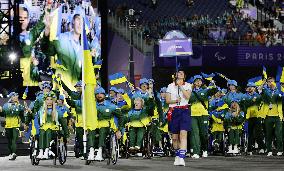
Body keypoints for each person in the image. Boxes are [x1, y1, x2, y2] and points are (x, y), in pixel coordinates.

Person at [42, 13, 84, 90]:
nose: (80, 23)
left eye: (82, 21)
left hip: (76, 91)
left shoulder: (85, 46)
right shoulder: (62, 38)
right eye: (78, 19)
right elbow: (48, 50)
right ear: (73, 22)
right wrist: (47, 31)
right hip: (61, 88)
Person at [88, 87, 123, 161]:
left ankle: (99, 152)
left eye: (101, 93)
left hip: (106, 126)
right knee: (91, 130)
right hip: (94, 125)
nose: (99, 95)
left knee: (102, 131)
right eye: (97, 94)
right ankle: (91, 151)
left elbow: (121, 117)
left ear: (104, 95)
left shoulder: (111, 106)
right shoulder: (92, 106)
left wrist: (119, 130)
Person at [19, 3, 50, 86]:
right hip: (16, 78)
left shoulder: (31, 35)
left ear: (28, 20)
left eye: (25, 18)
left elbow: (40, 25)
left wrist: (47, 9)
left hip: (31, 79)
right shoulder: (8, 37)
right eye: (20, 18)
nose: (22, 20)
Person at [166, 69, 192, 166]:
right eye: (178, 73)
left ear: (184, 76)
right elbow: (167, 100)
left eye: (182, 73)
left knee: (183, 134)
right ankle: (177, 155)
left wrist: (180, 86)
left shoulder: (188, 85)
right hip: (174, 111)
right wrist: (175, 101)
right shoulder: (170, 86)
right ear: (175, 75)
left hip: (184, 111)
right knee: (175, 137)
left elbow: (187, 96)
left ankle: (182, 157)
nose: (180, 74)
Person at [189, 75, 217, 158]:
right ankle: (196, 152)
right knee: (194, 134)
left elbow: (214, 90)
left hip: (203, 114)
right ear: (193, 82)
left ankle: (204, 149)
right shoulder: (189, 91)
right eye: (196, 80)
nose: (198, 82)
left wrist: (213, 83)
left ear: (202, 82)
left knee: (203, 134)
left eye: (200, 80)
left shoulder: (205, 90)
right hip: (193, 114)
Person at [259, 77, 283, 156]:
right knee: (268, 134)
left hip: (277, 116)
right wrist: (263, 83)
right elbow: (259, 90)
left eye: (272, 81)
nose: (270, 83)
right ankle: (269, 150)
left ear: (274, 82)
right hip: (268, 116)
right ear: (267, 83)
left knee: (278, 134)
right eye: (269, 82)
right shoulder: (265, 91)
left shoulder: (279, 91)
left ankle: (280, 150)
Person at [0, 92, 25, 160]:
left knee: (14, 140)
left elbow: (22, 116)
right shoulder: (5, 105)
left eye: (16, 96)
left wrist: (24, 123)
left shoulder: (20, 106)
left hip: (16, 125)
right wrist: (0, 111)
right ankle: (11, 153)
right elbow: (3, 114)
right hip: (8, 125)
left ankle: (13, 153)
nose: (16, 97)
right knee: (9, 141)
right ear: (11, 97)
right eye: (14, 96)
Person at [245, 82, 265, 155]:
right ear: (247, 88)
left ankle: (262, 148)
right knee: (249, 133)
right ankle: (249, 149)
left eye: (252, 87)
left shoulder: (258, 95)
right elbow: (246, 104)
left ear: (254, 88)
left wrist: (259, 94)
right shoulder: (245, 96)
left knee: (258, 133)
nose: (250, 88)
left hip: (257, 116)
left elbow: (261, 101)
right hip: (249, 116)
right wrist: (252, 101)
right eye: (249, 87)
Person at [37, 92, 58, 159]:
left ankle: (46, 151)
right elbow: (40, 120)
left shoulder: (55, 110)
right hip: (44, 125)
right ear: (45, 101)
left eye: (51, 99)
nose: (49, 101)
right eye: (47, 99)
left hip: (52, 126)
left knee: (48, 132)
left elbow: (56, 121)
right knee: (42, 132)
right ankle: (41, 151)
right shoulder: (42, 110)